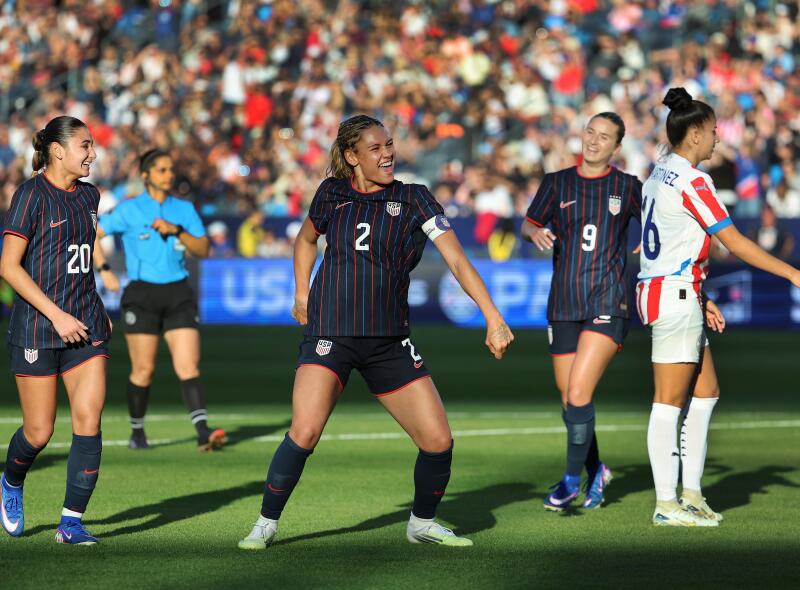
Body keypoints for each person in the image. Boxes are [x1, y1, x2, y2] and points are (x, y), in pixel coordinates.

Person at [238, 114, 514, 550]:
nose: (387, 154)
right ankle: (265, 524)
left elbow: (458, 261)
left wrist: (492, 317)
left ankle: (422, 523)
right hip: (330, 333)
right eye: (375, 148)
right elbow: (305, 240)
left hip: (388, 340)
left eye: (389, 145)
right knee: (304, 432)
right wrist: (301, 293)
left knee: (438, 441)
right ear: (352, 156)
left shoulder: (414, 198)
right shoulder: (331, 193)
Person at [637, 88, 800, 526]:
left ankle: (690, 494)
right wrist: (792, 273)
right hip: (673, 293)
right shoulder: (693, 180)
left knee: (706, 392)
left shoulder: (660, 170)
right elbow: (735, 242)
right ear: (693, 134)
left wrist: (704, 297)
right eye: (712, 131)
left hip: (674, 290)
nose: (717, 139)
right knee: (668, 403)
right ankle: (666, 504)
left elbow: (673, 242)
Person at [520, 113, 642, 511]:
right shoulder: (557, 182)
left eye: (604, 136)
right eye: (590, 131)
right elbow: (528, 224)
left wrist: (651, 241)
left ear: (616, 147)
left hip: (607, 300)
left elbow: (659, 220)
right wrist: (535, 231)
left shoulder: (627, 186)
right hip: (564, 302)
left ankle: (570, 482)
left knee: (578, 393)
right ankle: (596, 470)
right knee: (571, 400)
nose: (594, 140)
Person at [0, 116, 110, 545]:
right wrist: (56, 315)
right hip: (37, 329)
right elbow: (9, 267)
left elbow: (81, 254)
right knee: (39, 432)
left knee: (89, 419)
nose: (93, 153)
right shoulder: (30, 195)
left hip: (85, 325)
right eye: (85, 145)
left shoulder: (90, 195)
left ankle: (71, 523)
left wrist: (94, 304)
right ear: (58, 151)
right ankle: (10, 482)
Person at [93, 149, 226, 451]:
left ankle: (202, 431)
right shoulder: (130, 209)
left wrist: (177, 230)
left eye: (170, 169)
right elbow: (93, 235)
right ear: (146, 175)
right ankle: (137, 433)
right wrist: (104, 270)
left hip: (178, 293)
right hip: (142, 295)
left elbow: (203, 250)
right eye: (162, 170)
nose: (169, 175)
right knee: (144, 370)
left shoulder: (183, 209)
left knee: (189, 367)